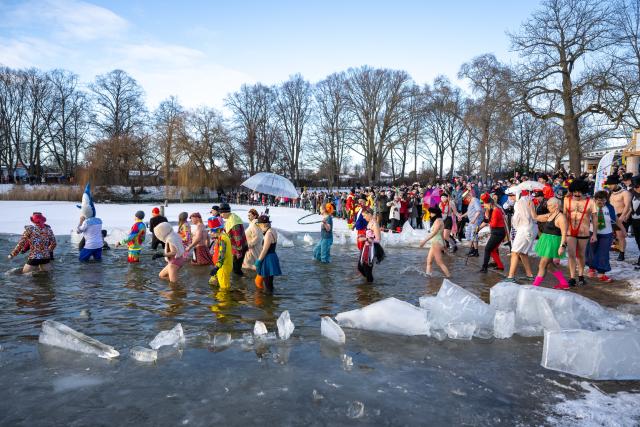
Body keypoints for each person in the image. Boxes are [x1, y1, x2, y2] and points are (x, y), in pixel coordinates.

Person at [530, 197, 570, 289]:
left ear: (556, 206)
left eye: (549, 206)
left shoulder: (561, 218)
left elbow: (564, 233)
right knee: (550, 266)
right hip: (547, 242)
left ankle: (535, 287)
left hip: (552, 244)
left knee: (542, 265)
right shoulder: (550, 215)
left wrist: (562, 246)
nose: (547, 207)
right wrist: (531, 206)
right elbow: (536, 217)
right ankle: (564, 283)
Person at [564, 180, 596, 286]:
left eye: (580, 192)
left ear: (584, 191)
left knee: (581, 255)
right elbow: (564, 216)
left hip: (584, 231)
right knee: (571, 254)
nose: (577, 194)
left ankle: (581, 276)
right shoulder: (566, 200)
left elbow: (594, 218)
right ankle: (572, 277)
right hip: (569, 231)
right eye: (575, 192)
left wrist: (594, 233)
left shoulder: (590, 201)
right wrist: (563, 233)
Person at [587, 191, 623, 282]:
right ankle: (591, 267)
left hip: (607, 234)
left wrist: (623, 229)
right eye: (599, 200)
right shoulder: (590, 207)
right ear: (595, 200)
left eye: (603, 200)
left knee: (604, 253)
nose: (601, 203)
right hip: (592, 232)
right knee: (592, 251)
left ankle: (601, 274)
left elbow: (616, 219)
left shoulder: (610, 207)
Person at [505, 190, 537, 282]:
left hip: (524, 229)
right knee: (523, 253)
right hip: (532, 228)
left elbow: (517, 218)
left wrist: (515, 224)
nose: (510, 197)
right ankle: (529, 274)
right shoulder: (528, 199)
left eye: (512, 195)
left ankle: (510, 277)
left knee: (515, 252)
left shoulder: (519, 203)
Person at [478, 193, 506, 273]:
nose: (484, 206)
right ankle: (500, 266)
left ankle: (484, 268)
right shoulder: (491, 210)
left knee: (487, 249)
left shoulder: (496, 211)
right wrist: (479, 228)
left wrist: (487, 219)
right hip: (497, 232)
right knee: (493, 250)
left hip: (498, 232)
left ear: (490, 203)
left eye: (485, 204)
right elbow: (486, 221)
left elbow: (493, 224)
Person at [419, 206, 450, 277]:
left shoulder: (438, 221)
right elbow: (442, 233)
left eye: (431, 213)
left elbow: (434, 233)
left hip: (437, 243)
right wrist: (444, 243)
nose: (430, 214)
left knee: (439, 262)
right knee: (429, 261)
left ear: (435, 213)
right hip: (436, 242)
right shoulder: (438, 220)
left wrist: (424, 241)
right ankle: (428, 276)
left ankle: (449, 277)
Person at [606, 174, 632, 261]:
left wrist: (623, 216)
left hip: (621, 215)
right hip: (611, 216)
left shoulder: (625, 192)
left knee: (620, 236)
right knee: (612, 235)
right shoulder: (610, 193)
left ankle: (622, 253)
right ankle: (616, 248)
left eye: (610, 184)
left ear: (616, 183)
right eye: (608, 185)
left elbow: (627, 206)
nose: (609, 186)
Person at [219, 203, 248, 276]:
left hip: (239, 248)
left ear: (225, 212)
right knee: (236, 268)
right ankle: (240, 282)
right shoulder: (232, 217)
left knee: (236, 269)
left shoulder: (233, 222)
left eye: (221, 213)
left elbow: (238, 238)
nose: (221, 215)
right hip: (238, 248)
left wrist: (238, 252)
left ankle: (241, 284)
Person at [255, 215, 282, 293]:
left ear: (263, 225)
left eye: (259, 225)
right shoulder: (272, 230)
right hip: (272, 256)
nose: (259, 227)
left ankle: (268, 300)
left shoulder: (268, 234)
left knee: (268, 284)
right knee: (269, 282)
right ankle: (268, 299)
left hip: (268, 259)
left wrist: (258, 261)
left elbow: (264, 250)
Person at [76, 183, 103, 262]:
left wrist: (81, 221)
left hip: (90, 245)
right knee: (98, 261)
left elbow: (78, 231)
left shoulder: (86, 222)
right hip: (99, 245)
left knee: (81, 260)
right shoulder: (99, 220)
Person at [357, 208, 384, 282]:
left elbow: (378, 239)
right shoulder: (369, 222)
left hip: (371, 249)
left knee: (367, 269)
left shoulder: (374, 224)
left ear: (369, 214)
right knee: (360, 267)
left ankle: (369, 286)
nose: (363, 217)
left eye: (364, 215)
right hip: (366, 247)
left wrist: (365, 239)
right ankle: (368, 285)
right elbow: (369, 235)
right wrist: (362, 236)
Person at [208, 217, 233, 289]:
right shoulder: (221, 237)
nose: (210, 233)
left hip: (223, 267)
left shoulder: (223, 239)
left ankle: (225, 299)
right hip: (219, 266)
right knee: (212, 283)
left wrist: (216, 268)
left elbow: (222, 254)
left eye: (212, 231)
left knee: (224, 288)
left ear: (218, 230)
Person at [459, 191, 482, 257]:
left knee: (474, 236)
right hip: (471, 221)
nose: (466, 200)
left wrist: (474, 219)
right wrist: (462, 216)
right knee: (468, 235)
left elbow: (478, 211)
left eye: (466, 198)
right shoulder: (471, 201)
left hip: (475, 221)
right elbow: (468, 212)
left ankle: (476, 252)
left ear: (469, 196)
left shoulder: (475, 200)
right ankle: (472, 250)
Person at [631, 177, 640, 269]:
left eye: (637, 186)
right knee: (638, 241)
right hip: (635, 221)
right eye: (634, 186)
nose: (635, 188)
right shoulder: (634, 195)